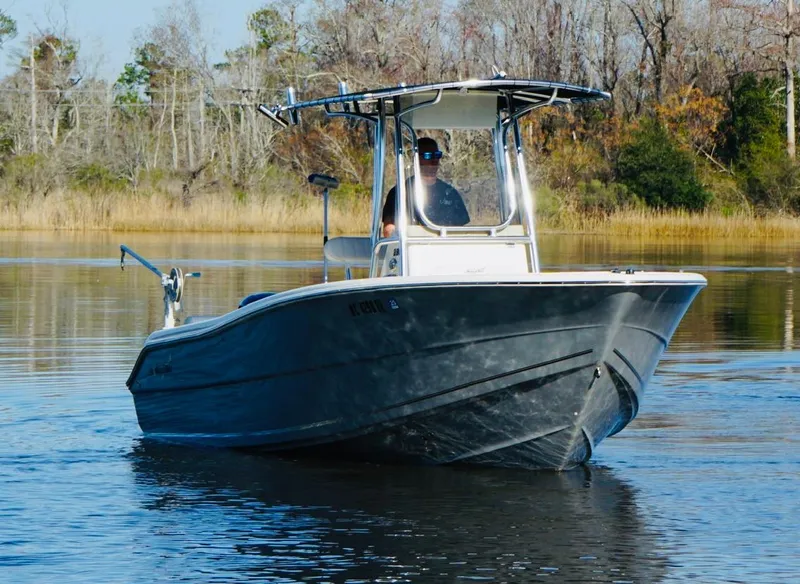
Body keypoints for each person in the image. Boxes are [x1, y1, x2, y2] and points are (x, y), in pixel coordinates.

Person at [382, 137, 469, 237]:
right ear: (416, 159)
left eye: (437, 155)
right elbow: (389, 230)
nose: (434, 160)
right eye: (428, 156)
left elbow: (462, 231)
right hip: (413, 248)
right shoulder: (399, 192)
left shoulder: (450, 192)